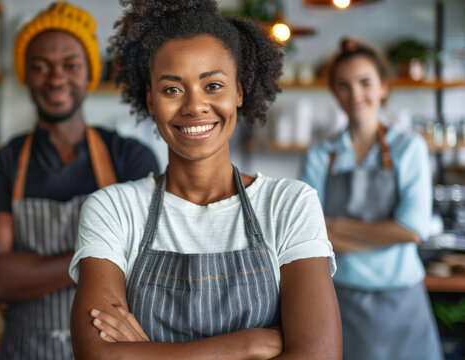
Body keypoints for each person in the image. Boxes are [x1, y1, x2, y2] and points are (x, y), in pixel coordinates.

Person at [69, 1, 342, 359]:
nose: (194, 106)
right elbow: (98, 355)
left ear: (239, 92)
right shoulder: (113, 209)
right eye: (172, 90)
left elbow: (319, 356)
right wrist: (250, 344)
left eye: (213, 85)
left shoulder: (289, 204)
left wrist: (145, 352)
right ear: (150, 100)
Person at [0, 2, 159, 359]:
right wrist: (101, 259)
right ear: (26, 75)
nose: (56, 79)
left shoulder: (129, 158)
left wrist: (29, 270)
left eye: (70, 65)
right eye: (41, 66)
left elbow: (149, 267)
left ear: (89, 73)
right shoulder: (0, 165)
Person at [301, 38, 442, 360]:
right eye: (343, 85)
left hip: (403, 303)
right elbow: (308, 235)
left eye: (365, 83)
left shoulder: (410, 147)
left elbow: (411, 229)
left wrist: (333, 225)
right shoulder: (321, 153)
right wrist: (387, 234)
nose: (355, 94)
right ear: (335, 93)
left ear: (383, 87)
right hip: (339, 301)